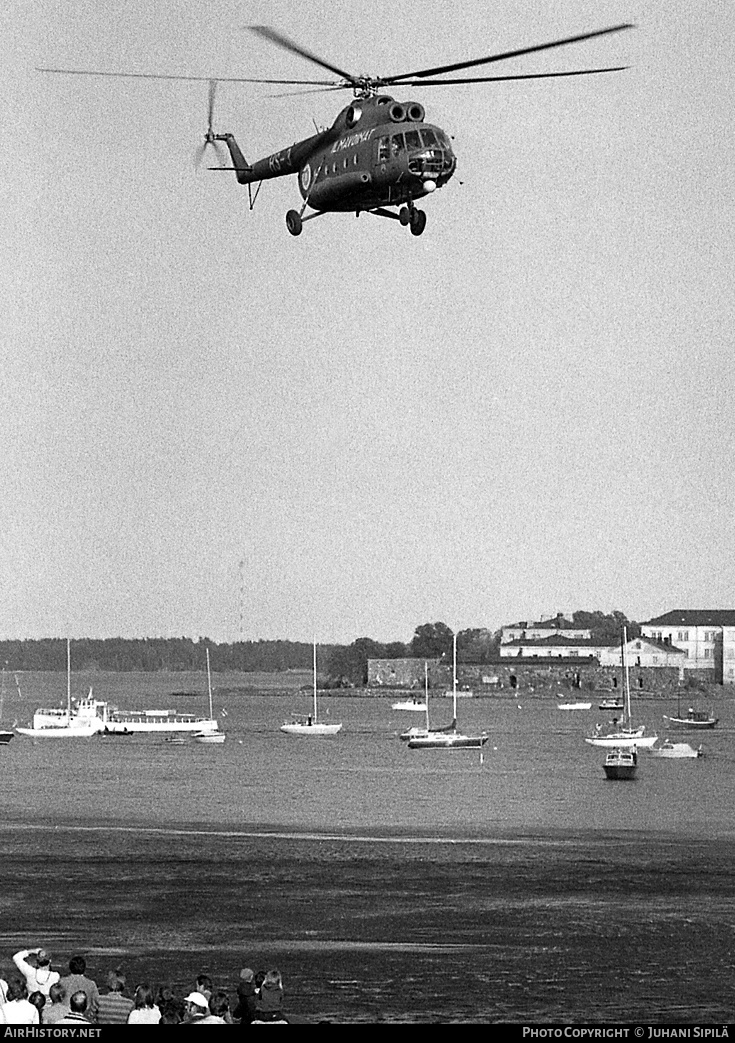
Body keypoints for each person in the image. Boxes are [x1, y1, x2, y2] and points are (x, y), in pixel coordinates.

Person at [59, 955, 100, 1023]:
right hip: (85, 1017)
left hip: (64, 1016)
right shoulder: (91, 984)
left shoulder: (62, 982)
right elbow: (96, 1003)